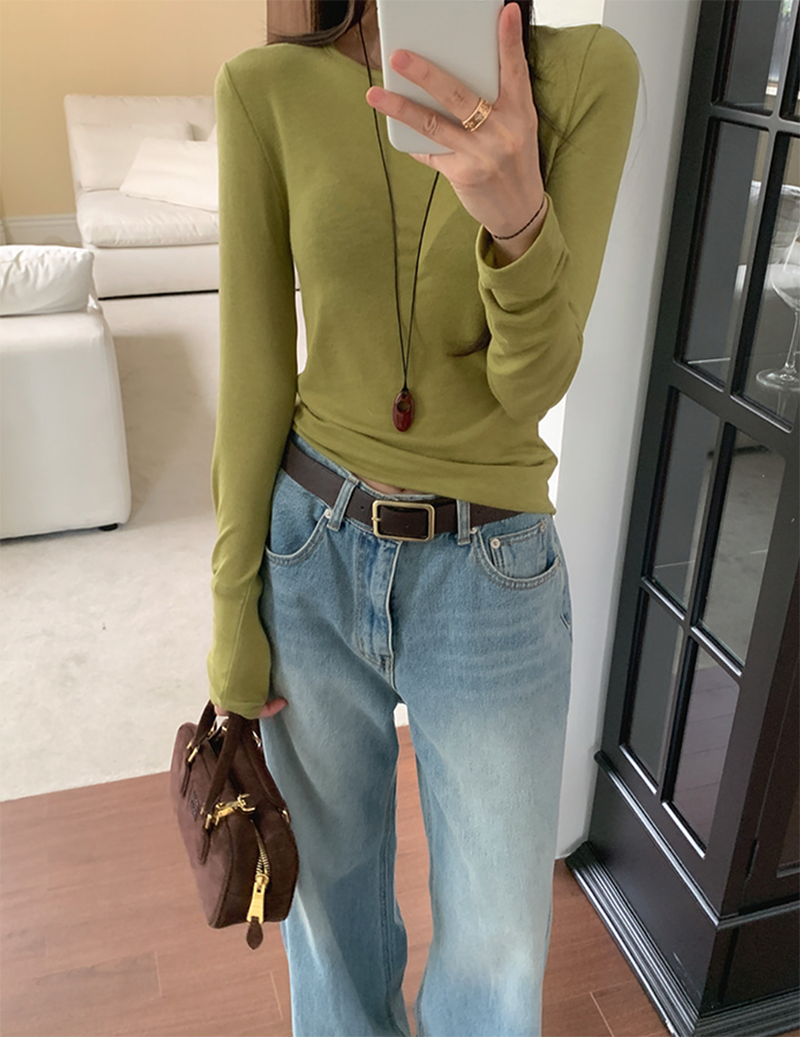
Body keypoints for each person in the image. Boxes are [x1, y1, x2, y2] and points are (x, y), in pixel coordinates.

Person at [208, 1, 638, 1034]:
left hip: (490, 570)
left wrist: (518, 222)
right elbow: (255, 365)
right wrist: (230, 605)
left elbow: (530, 385)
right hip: (309, 547)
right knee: (329, 920)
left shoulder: (584, 75)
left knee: (497, 954)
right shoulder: (266, 90)